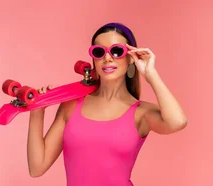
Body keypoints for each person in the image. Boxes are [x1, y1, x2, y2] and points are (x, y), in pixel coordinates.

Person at [26, 22, 188, 186]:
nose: (107, 58)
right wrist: (37, 111)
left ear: (131, 57)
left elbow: (177, 122)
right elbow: (37, 168)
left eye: (117, 51)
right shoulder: (71, 105)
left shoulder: (141, 113)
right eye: (99, 52)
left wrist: (150, 74)